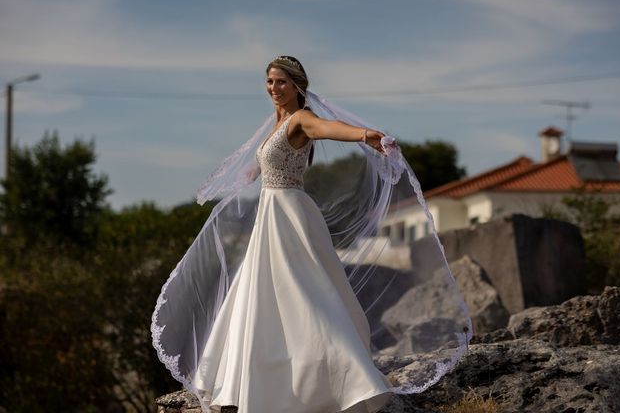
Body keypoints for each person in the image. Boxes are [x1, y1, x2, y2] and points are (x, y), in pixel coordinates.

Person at [151, 56, 472, 412]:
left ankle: (341, 374)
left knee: (305, 292)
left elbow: (327, 128)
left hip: (290, 215)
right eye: (270, 82)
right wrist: (245, 176)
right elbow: (263, 164)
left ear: (298, 86)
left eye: (282, 82)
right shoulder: (275, 123)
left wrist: (364, 135)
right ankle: (265, 377)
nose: (274, 88)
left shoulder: (301, 119)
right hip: (271, 215)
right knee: (267, 293)